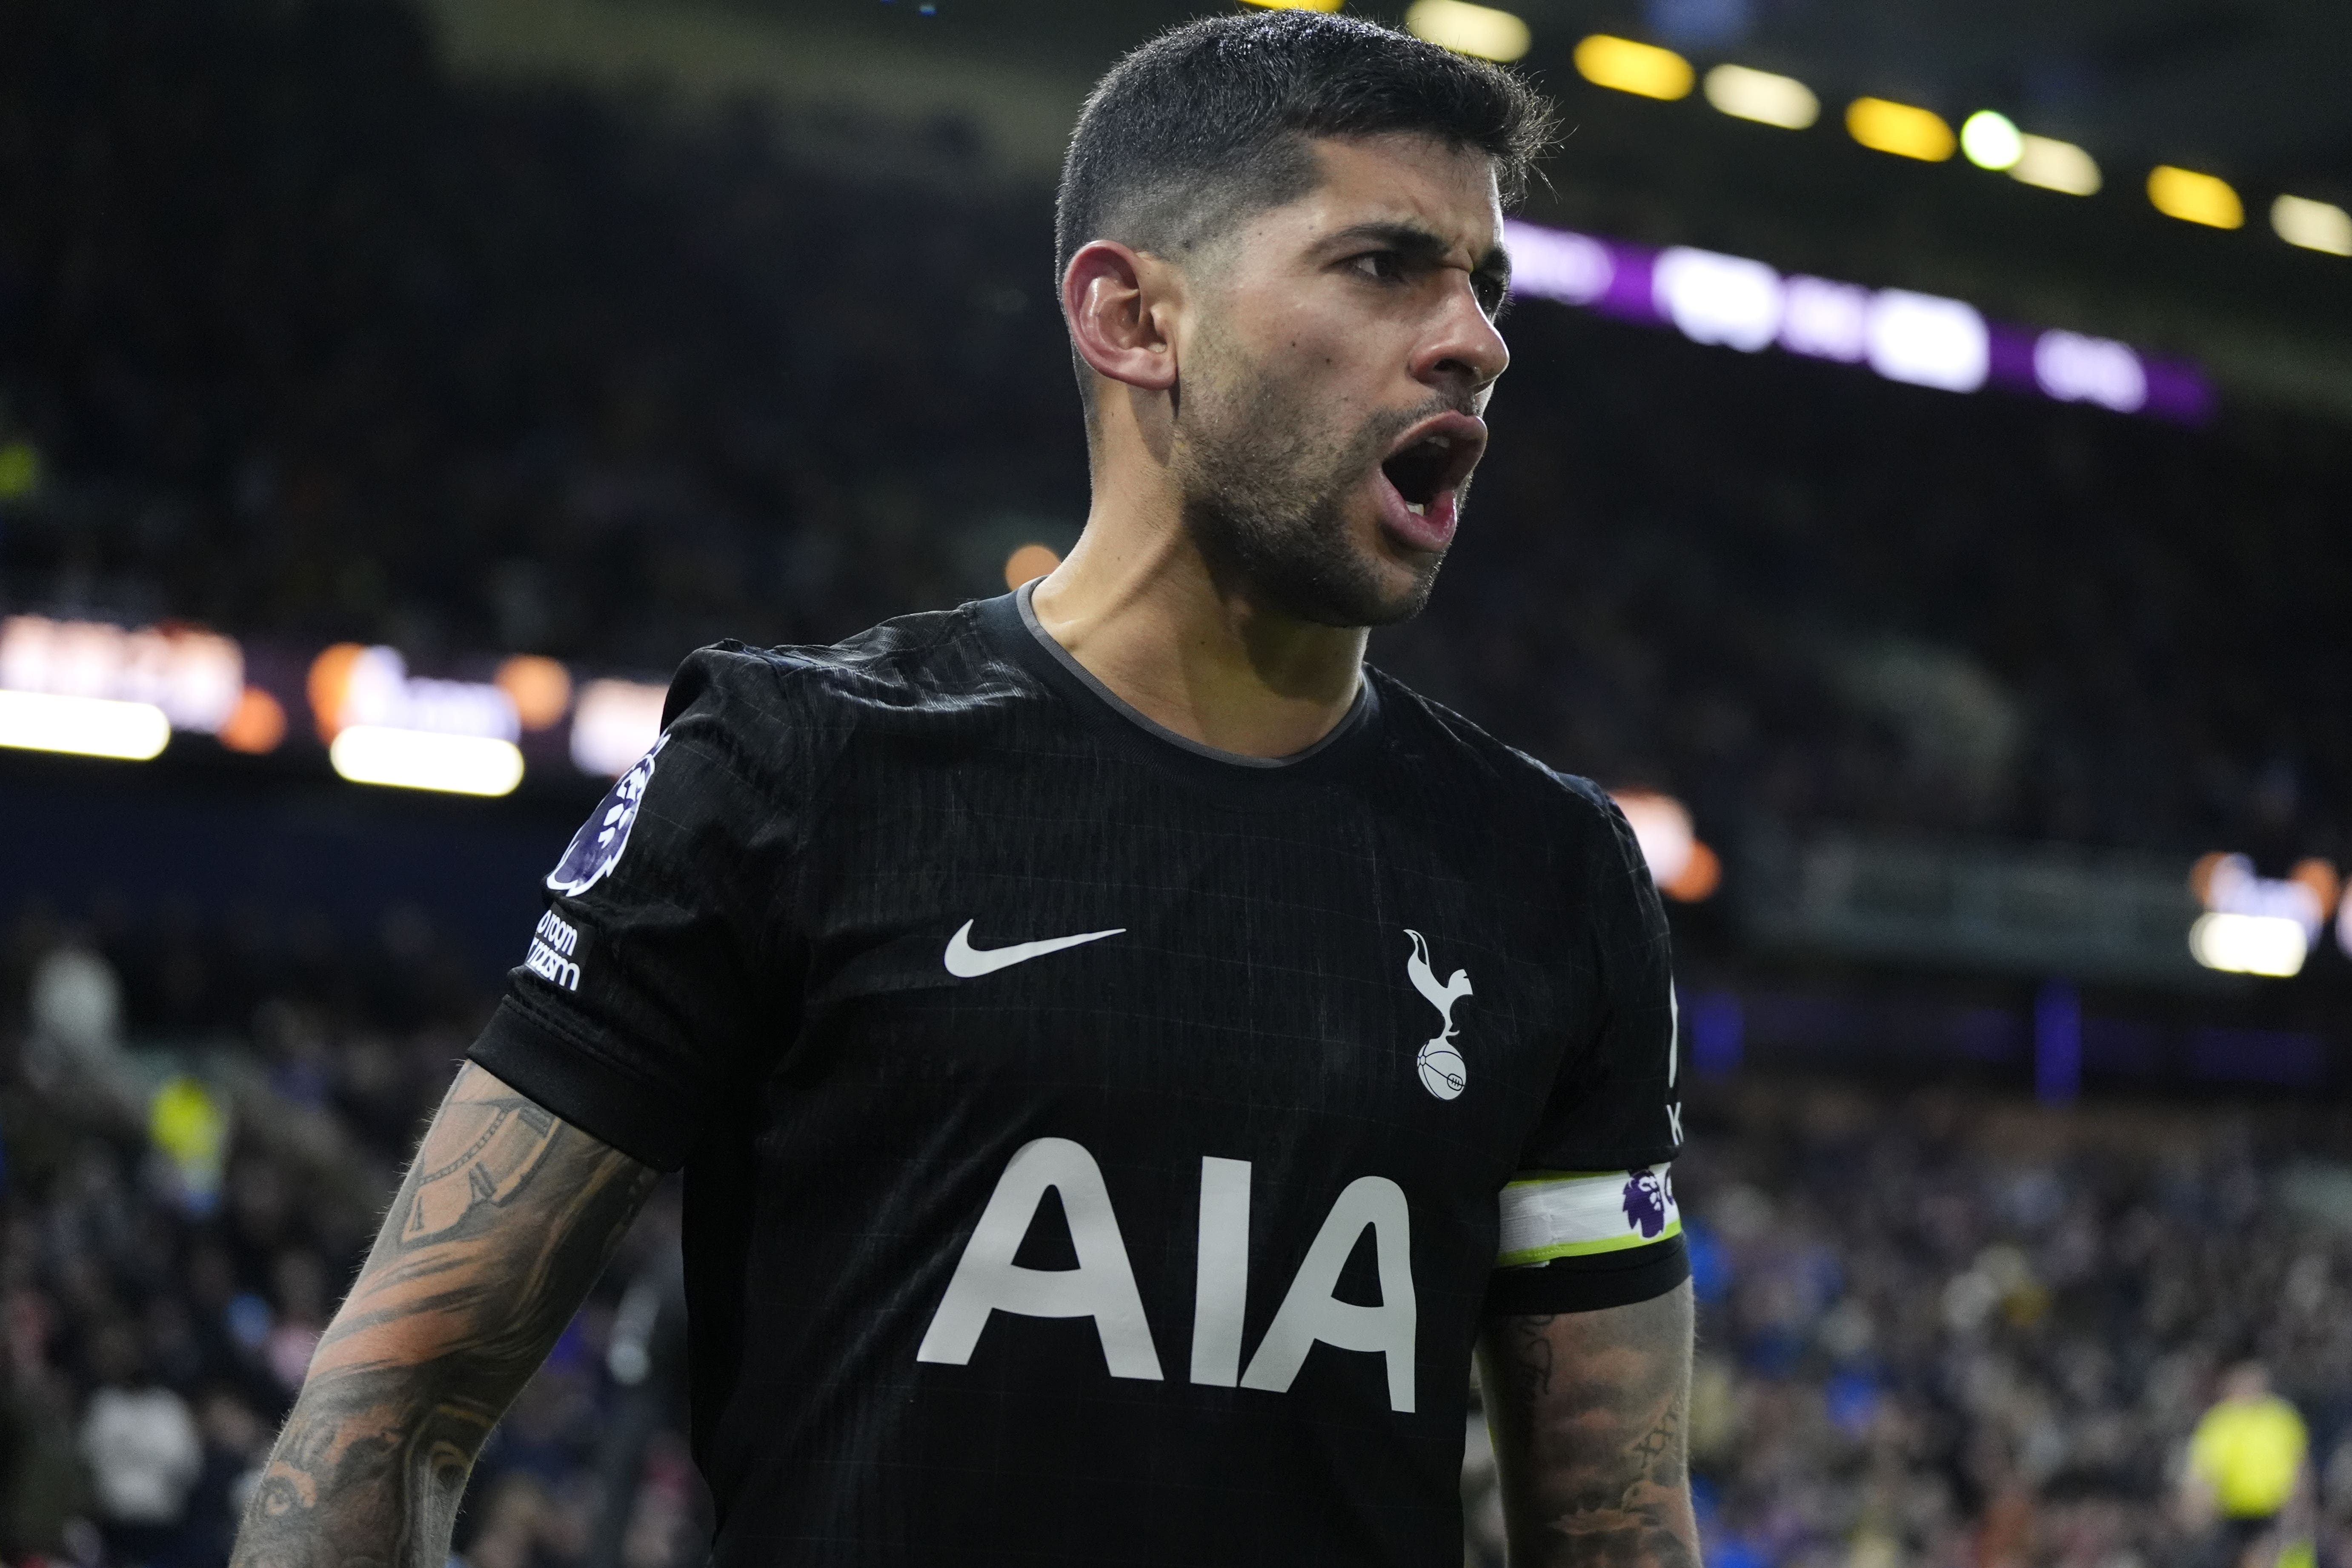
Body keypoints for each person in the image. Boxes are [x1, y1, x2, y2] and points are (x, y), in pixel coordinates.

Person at [231, 12, 1696, 1565]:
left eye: (1486, 283)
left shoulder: (1551, 874)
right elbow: (394, 1401)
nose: (1475, 337)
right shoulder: (803, 766)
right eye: (1383, 264)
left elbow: (1611, 1525)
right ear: (1134, 316)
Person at [2183, 1362, 2313, 1568]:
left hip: (2273, 1510)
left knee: (2281, 1557)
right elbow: (2204, 1471)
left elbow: (2300, 1465)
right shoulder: (2219, 1422)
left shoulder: (2282, 1419)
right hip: (2232, 1512)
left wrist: (2298, 1505)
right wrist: (2199, 1505)